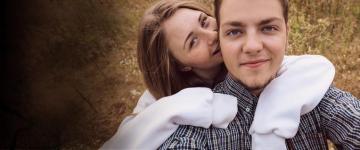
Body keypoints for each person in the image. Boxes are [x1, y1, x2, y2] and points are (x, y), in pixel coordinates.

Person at [100, 0, 337, 149]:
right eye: (193, 41)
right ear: (182, 65)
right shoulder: (179, 115)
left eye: (205, 21)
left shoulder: (276, 68)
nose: (211, 36)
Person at [158, 0, 360, 149]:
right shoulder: (195, 122)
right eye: (234, 32)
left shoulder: (316, 95)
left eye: (268, 28)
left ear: (286, 33)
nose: (253, 46)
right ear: (222, 38)